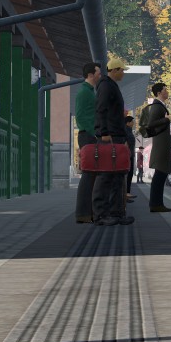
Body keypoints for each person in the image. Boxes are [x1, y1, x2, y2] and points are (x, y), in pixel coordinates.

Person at [93, 55, 133, 225]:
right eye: (122, 70)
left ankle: (116, 213)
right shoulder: (106, 86)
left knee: (117, 175)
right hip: (110, 137)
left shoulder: (111, 85)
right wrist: (104, 133)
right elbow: (101, 109)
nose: (123, 73)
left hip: (116, 136)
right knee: (106, 176)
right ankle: (101, 215)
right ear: (115, 70)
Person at [72, 62, 100, 224]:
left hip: (90, 136)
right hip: (88, 136)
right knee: (88, 175)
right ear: (90, 74)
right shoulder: (84, 92)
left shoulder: (89, 91)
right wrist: (93, 133)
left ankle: (88, 212)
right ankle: (83, 213)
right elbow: (81, 116)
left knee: (91, 175)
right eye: (98, 73)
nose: (100, 75)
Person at [141, 82, 171, 213]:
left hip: (162, 144)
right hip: (161, 145)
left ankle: (157, 203)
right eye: (165, 90)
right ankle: (155, 204)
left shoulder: (160, 106)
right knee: (160, 174)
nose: (167, 92)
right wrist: (166, 120)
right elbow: (150, 124)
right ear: (159, 92)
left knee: (161, 174)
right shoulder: (157, 106)